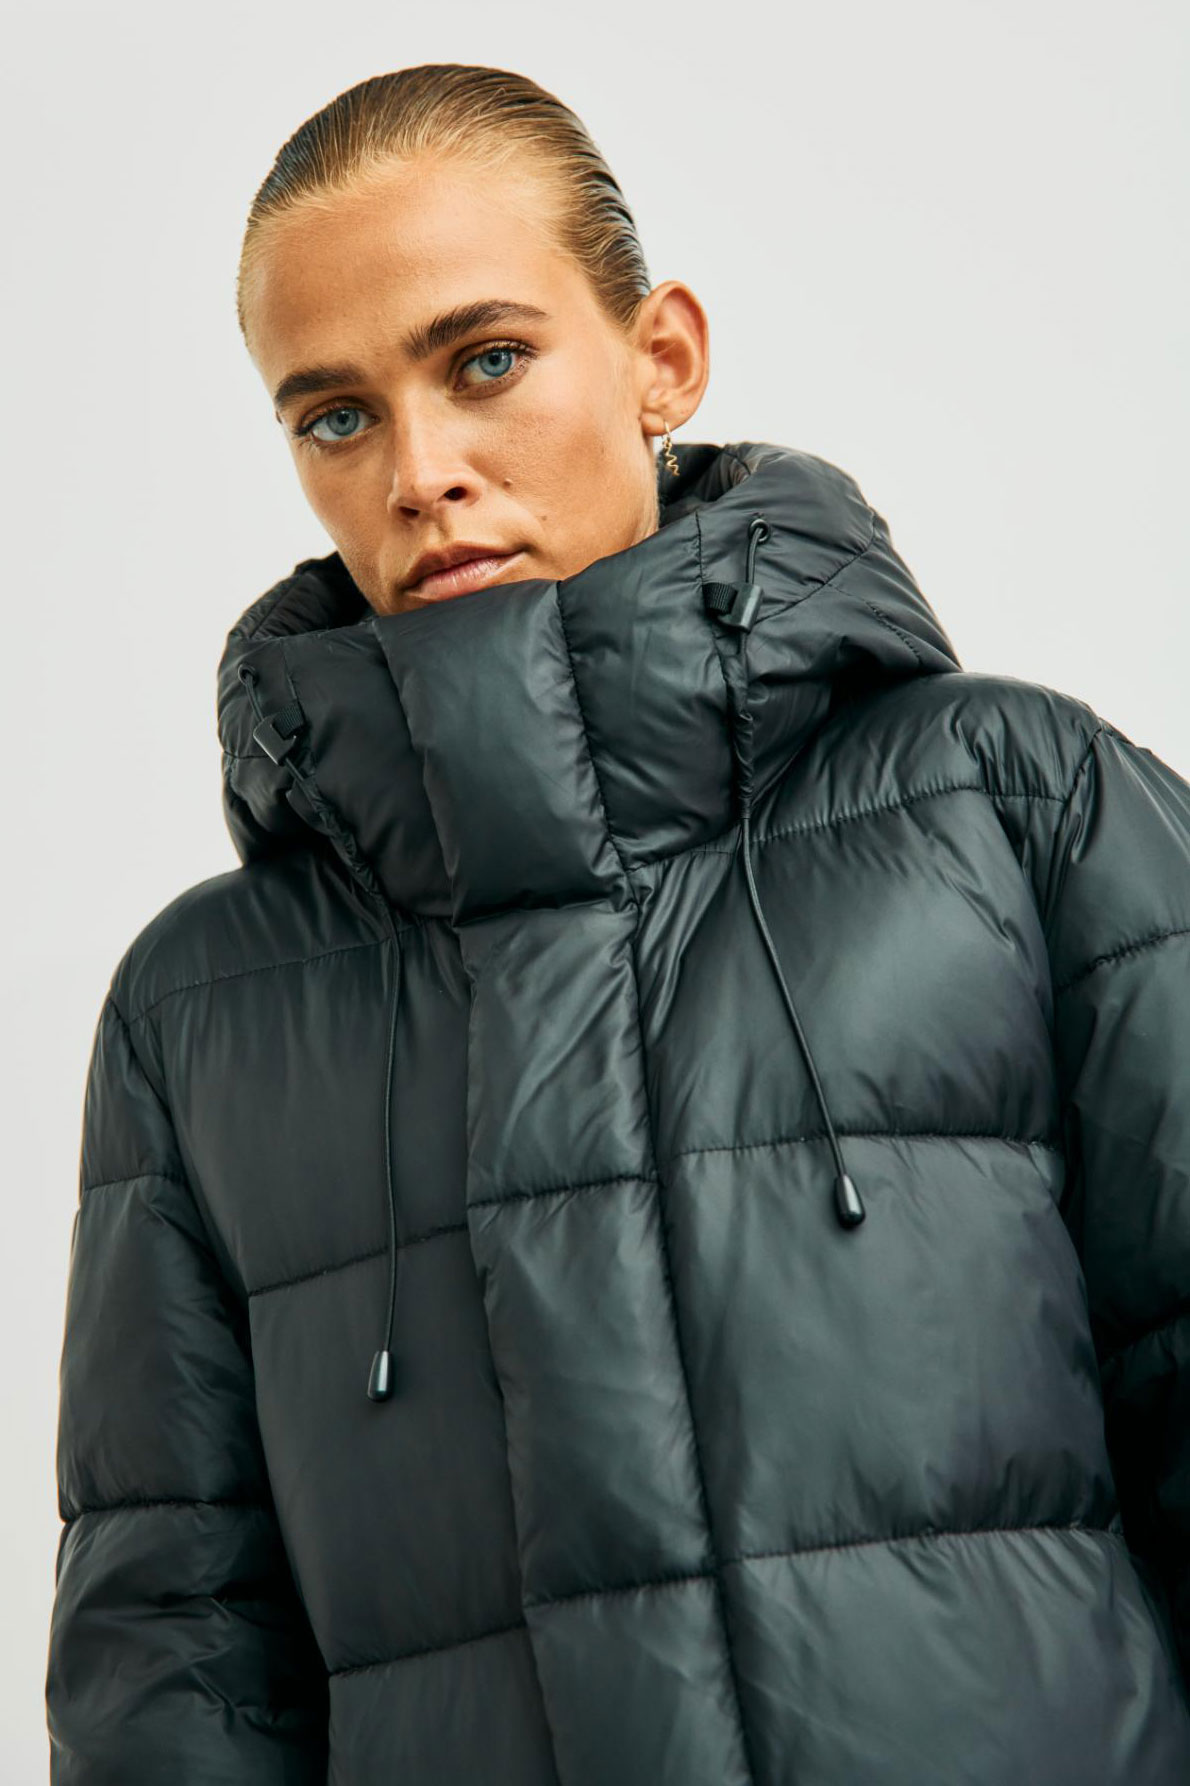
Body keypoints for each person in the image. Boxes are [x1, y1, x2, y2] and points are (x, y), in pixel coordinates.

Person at [44, 60, 1190, 1786]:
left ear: (661, 356)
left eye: (483, 362)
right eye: (334, 416)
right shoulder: (205, 1010)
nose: (421, 469)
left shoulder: (1008, 809)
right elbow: (171, 1658)